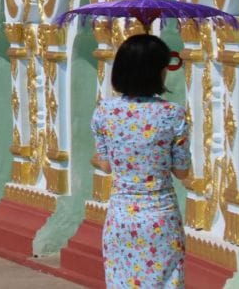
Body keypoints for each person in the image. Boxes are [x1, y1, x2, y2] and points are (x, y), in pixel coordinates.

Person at [92, 32, 191, 288]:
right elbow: (182, 172)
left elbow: (105, 164)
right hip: (160, 216)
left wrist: (100, 158)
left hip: (122, 215)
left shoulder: (105, 112)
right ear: (157, 72)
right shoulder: (172, 114)